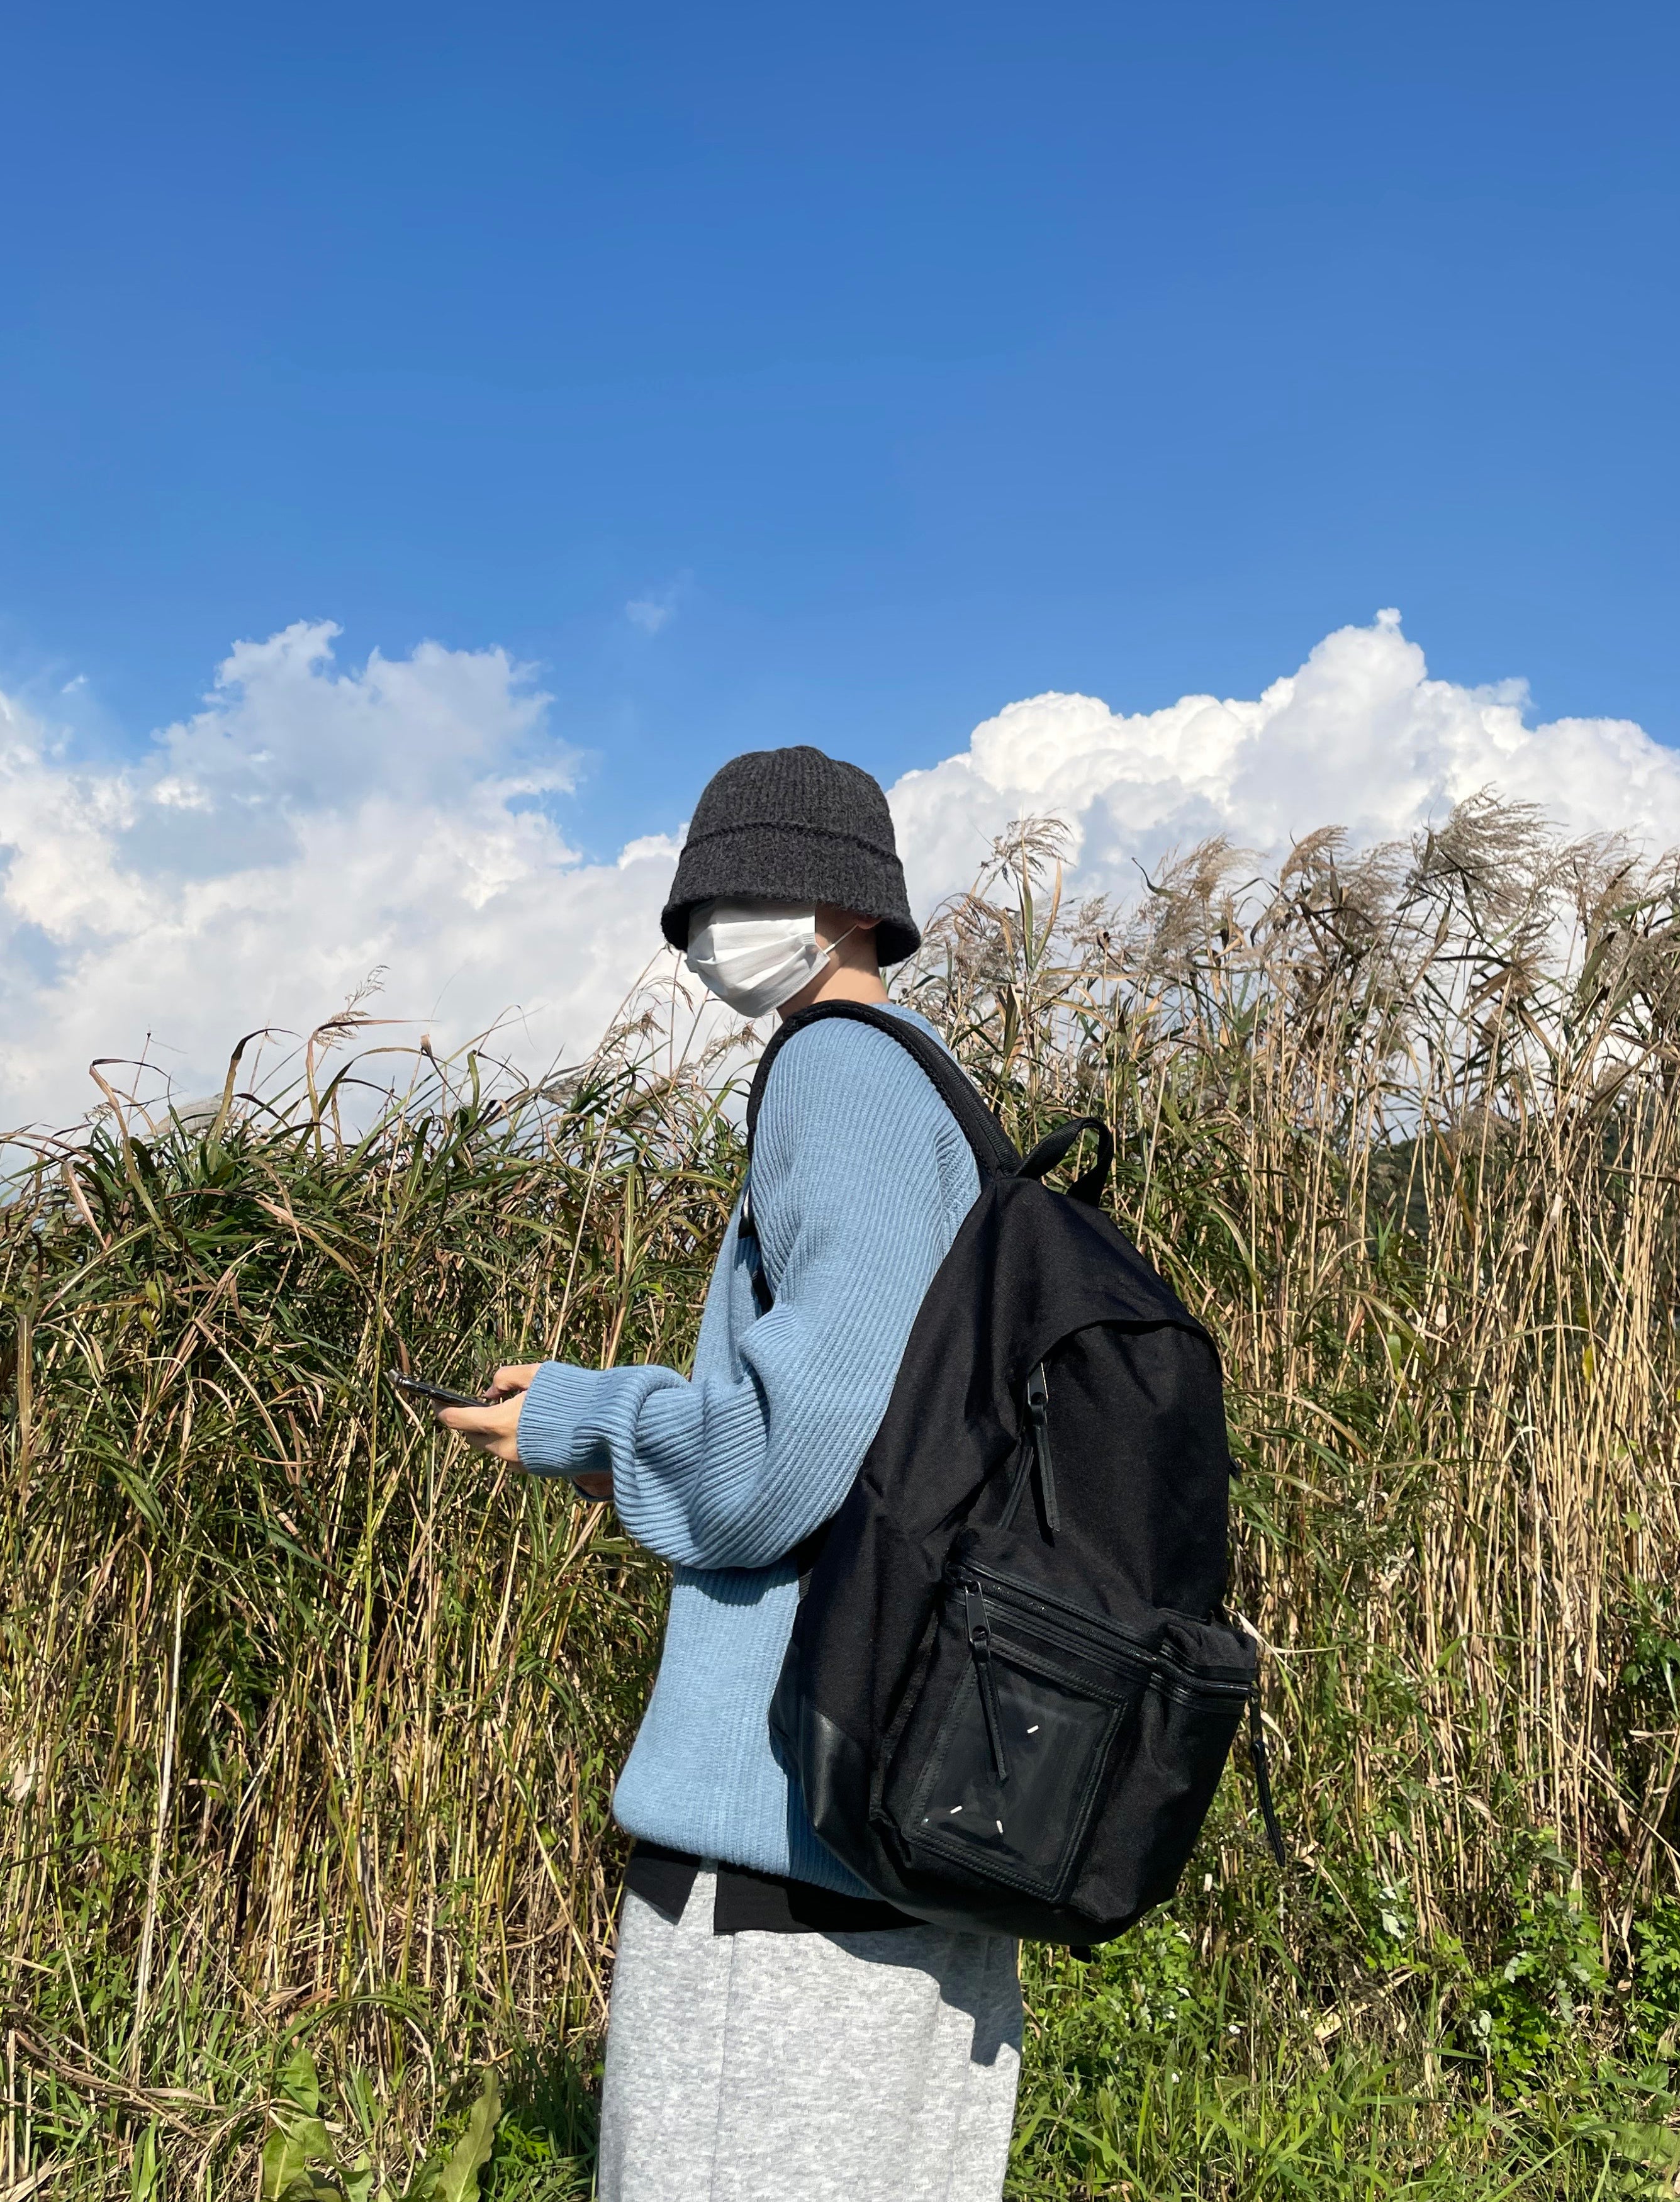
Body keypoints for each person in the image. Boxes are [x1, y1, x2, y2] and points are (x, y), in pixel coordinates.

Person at [440, 746, 1022, 2201]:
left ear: (840, 907)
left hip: (784, 1861)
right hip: (905, 1835)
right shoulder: (940, 1098)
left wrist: (591, 1421)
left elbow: (783, 1461)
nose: (704, 938)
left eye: (734, 897)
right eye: (691, 909)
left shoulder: (839, 1073)